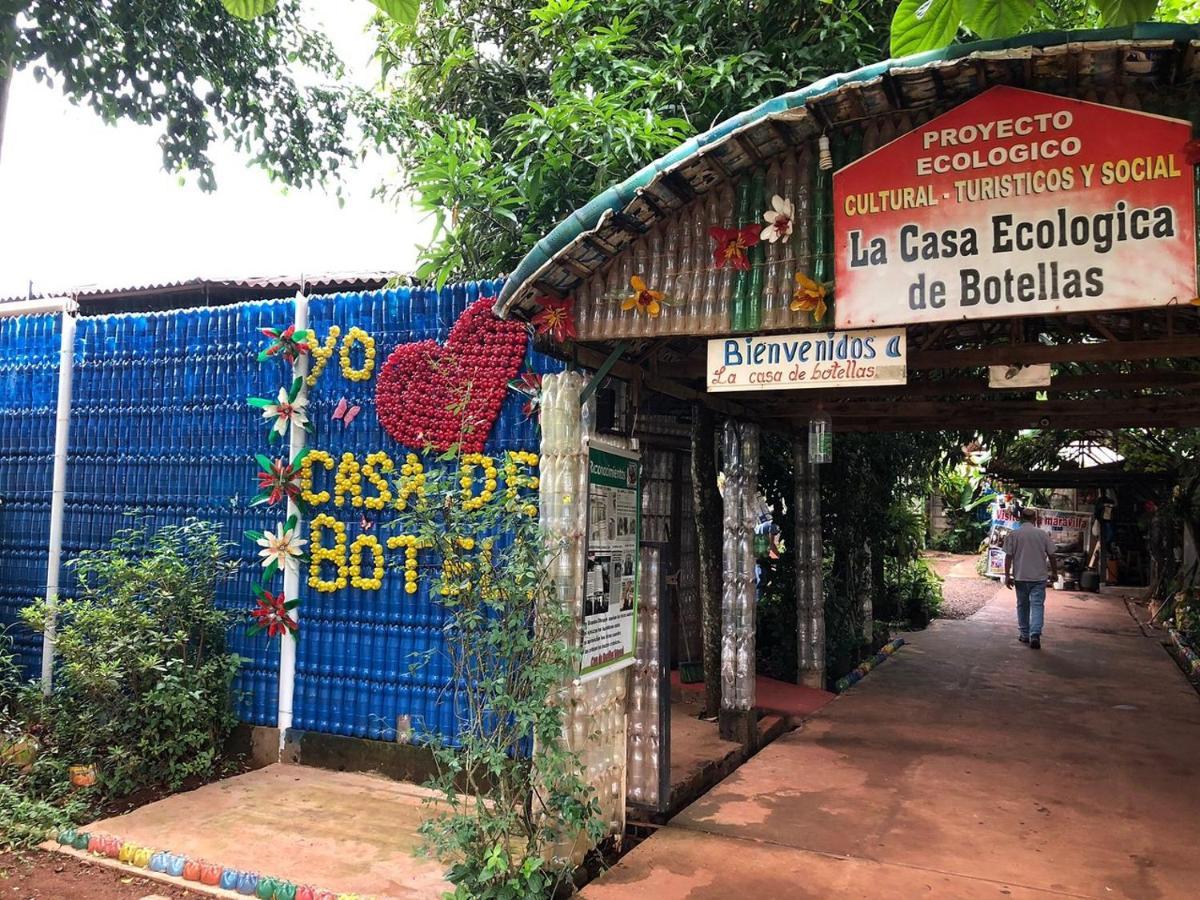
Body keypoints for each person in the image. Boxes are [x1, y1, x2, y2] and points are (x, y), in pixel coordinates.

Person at [1003, 508, 1058, 649]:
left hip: (1020, 576)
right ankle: (1035, 634)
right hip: (1039, 577)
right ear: (1035, 519)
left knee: (1022, 605)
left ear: (1021, 518)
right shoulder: (1042, 534)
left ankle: (1024, 634)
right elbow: (1052, 555)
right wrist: (1054, 573)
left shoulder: (1014, 535)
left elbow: (1008, 556)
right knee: (1037, 605)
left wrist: (1007, 575)